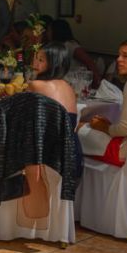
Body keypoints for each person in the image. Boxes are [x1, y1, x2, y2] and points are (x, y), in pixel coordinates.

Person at [28, 42, 82, 175]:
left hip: (51, 152)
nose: (35, 64)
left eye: (41, 60)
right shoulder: (68, 86)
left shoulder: (36, 85)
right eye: (36, 58)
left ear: (54, 64)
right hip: (73, 150)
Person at [47, 19, 102, 87]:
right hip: (64, 81)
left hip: (75, 82)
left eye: (49, 30)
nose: (47, 33)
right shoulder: (57, 46)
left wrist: (96, 81)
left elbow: (89, 62)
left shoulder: (70, 45)